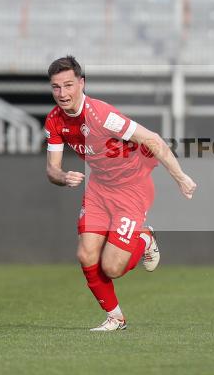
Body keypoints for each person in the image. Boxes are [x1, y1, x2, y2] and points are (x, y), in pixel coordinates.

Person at [44, 56, 197, 332]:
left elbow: (152, 140)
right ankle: (116, 318)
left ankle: (145, 238)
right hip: (99, 190)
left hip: (131, 189)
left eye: (68, 85)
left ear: (81, 83)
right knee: (86, 255)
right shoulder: (54, 121)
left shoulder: (102, 115)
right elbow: (51, 170)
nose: (63, 93)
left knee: (111, 268)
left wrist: (181, 177)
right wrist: (63, 176)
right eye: (56, 87)